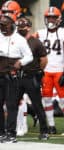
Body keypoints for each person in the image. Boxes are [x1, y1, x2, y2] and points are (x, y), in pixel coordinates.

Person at [34, 6, 64, 134]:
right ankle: (51, 126)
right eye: (48, 17)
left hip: (60, 69)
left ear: (59, 19)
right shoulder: (40, 33)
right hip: (46, 71)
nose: (50, 19)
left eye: (53, 17)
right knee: (47, 99)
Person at [0, 14, 33, 143]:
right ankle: (1, 132)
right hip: (0, 74)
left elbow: (29, 56)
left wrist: (21, 62)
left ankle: (11, 133)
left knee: (11, 105)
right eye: (0, 25)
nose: (2, 28)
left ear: (12, 25)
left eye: (4, 25)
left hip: (12, 76)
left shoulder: (20, 40)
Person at [15, 17, 49, 140]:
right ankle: (11, 130)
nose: (21, 29)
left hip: (31, 76)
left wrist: (39, 71)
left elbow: (44, 59)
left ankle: (44, 131)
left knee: (37, 104)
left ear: (29, 27)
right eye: (19, 27)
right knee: (13, 104)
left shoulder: (35, 42)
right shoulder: (15, 41)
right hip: (17, 77)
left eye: (23, 27)